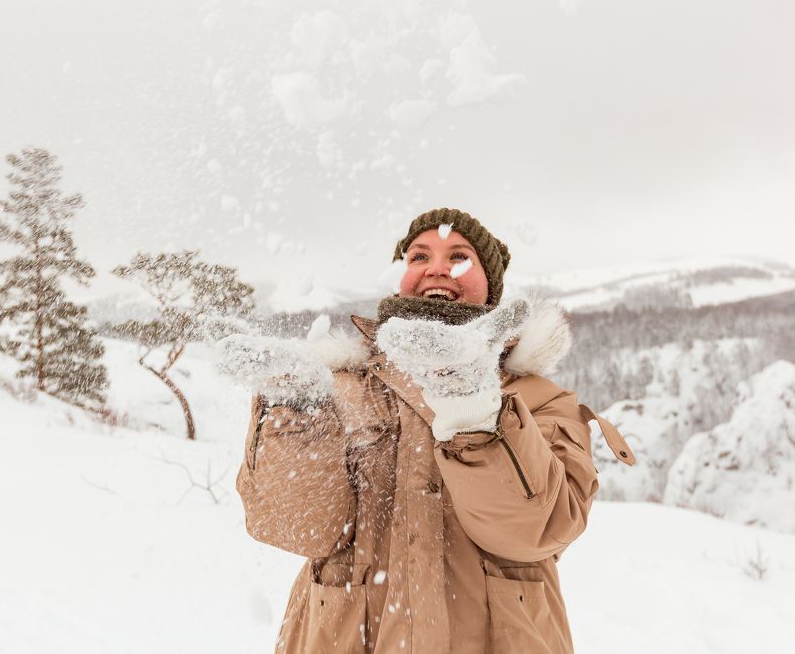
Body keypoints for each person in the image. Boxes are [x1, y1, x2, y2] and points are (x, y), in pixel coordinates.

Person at [217, 208, 635, 654]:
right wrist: (294, 412)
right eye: (419, 256)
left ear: (491, 286)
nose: (437, 268)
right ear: (401, 275)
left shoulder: (540, 399)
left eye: (459, 256)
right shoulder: (338, 386)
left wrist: (475, 405)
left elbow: (537, 531)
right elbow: (300, 531)